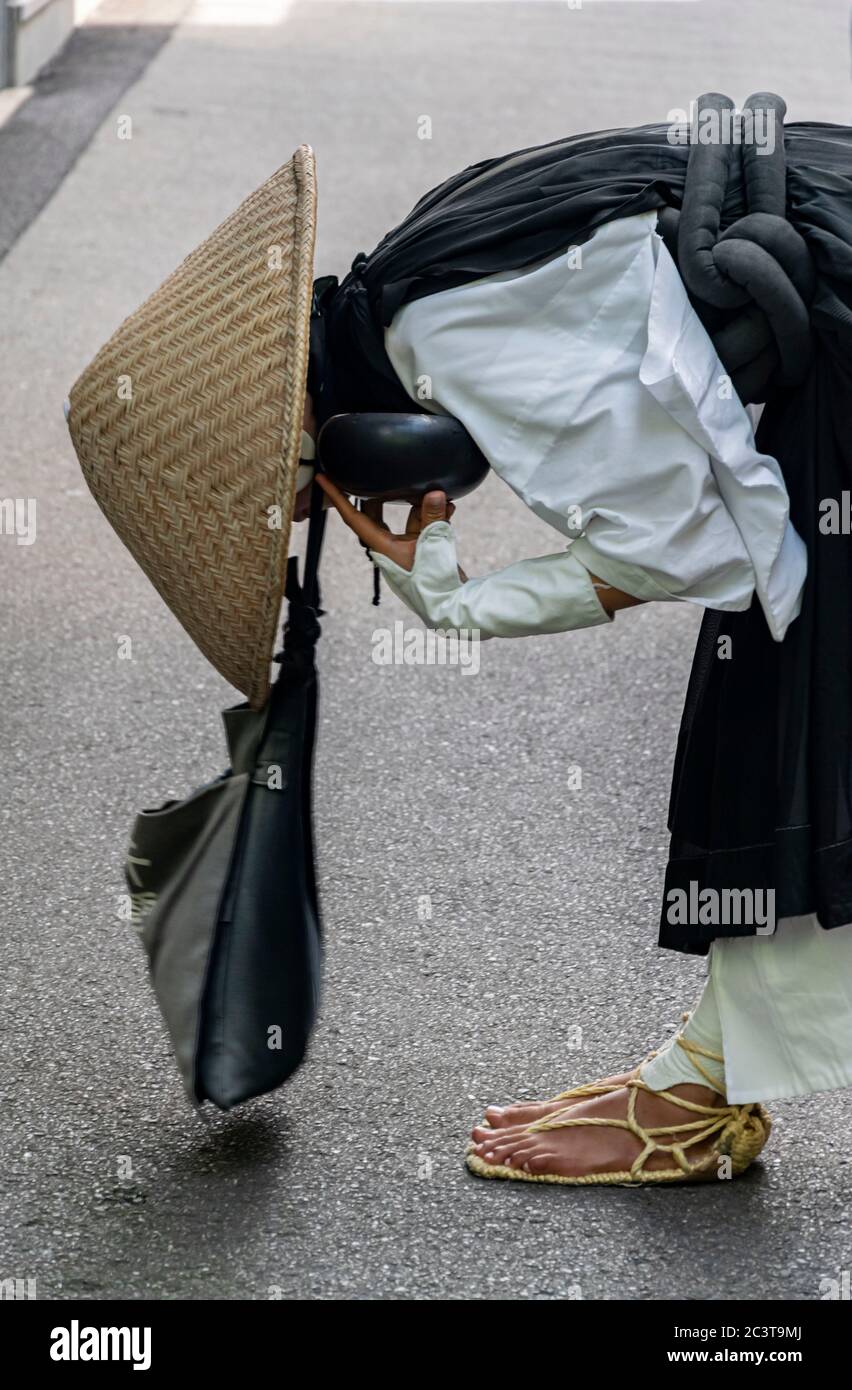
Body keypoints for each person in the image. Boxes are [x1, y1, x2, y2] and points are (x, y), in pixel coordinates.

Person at [294, 94, 852, 1186]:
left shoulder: (435, 340)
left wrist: (459, 601)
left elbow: (707, 551)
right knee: (790, 708)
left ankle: (700, 1089)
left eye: (314, 479)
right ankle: (711, 1071)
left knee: (793, 730)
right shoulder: (417, 261)